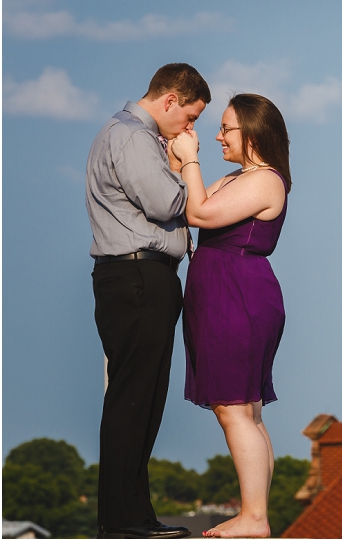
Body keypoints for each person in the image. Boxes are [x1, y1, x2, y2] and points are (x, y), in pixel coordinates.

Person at [86, 63, 211, 539]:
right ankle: (122, 521)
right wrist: (187, 164)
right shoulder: (135, 138)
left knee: (141, 399)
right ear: (170, 100)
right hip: (138, 275)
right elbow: (167, 204)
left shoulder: (123, 133)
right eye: (190, 117)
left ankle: (134, 516)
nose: (189, 129)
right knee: (133, 400)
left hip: (136, 276)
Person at [170, 93, 291, 538]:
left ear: (253, 134)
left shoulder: (265, 181)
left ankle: (254, 517)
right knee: (245, 411)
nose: (218, 136)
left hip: (237, 295)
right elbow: (190, 202)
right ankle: (254, 512)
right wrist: (180, 160)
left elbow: (200, 212)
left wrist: (189, 161)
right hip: (222, 293)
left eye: (226, 128)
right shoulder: (236, 178)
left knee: (235, 410)